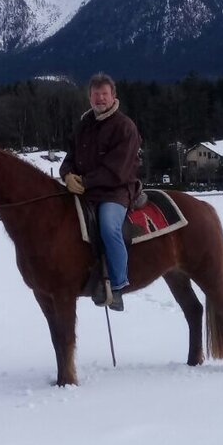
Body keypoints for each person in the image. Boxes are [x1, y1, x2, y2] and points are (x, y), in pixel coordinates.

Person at [59, 72, 141, 311]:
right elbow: (70, 157)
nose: (100, 99)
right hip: (86, 189)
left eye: (104, 94)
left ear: (113, 96)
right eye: (95, 95)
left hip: (116, 191)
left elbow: (118, 170)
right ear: (89, 98)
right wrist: (67, 175)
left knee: (108, 226)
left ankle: (117, 285)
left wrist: (84, 181)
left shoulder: (124, 127)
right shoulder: (84, 125)